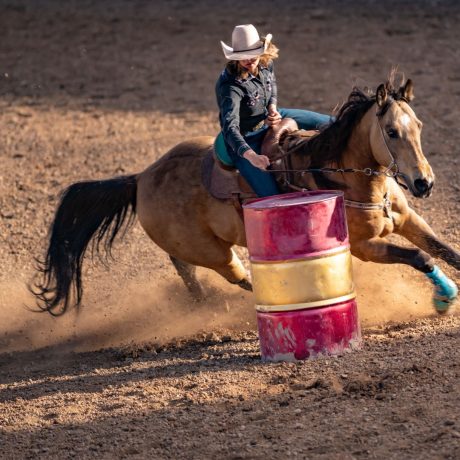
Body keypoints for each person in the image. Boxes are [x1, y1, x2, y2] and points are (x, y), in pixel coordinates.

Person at [215, 24, 333, 197]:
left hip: (271, 117)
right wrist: (252, 157)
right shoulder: (230, 87)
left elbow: (272, 86)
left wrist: (272, 107)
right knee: (273, 197)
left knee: (333, 123)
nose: (249, 60)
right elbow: (230, 128)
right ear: (235, 58)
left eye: (253, 54)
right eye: (243, 56)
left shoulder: (265, 63)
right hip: (247, 136)